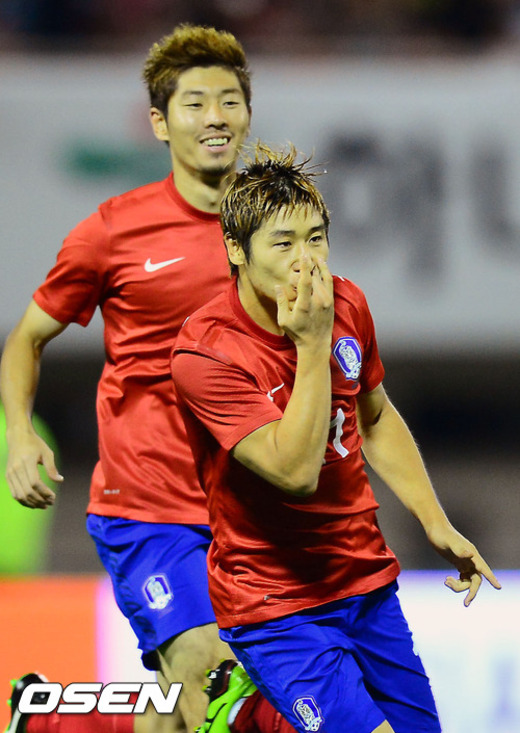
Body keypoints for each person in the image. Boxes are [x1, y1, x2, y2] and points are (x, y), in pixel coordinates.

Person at [1, 24, 294, 733]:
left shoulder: (279, 231)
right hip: (148, 505)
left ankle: (50, 723)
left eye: (229, 101)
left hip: (247, 511)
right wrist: (20, 434)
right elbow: (28, 338)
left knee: (189, 709)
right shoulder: (114, 232)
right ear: (160, 123)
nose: (215, 117)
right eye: (195, 104)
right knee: (206, 670)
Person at [171, 143, 502, 733]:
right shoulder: (206, 354)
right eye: (283, 244)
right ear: (235, 250)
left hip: (364, 582)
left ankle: (252, 717)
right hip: (274, 604)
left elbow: (374, 417)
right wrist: (311, 344)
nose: (307, 262)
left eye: (317, 239)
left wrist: (434, 522)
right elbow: (295, 473)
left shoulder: (346, 303)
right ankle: (249, 713)